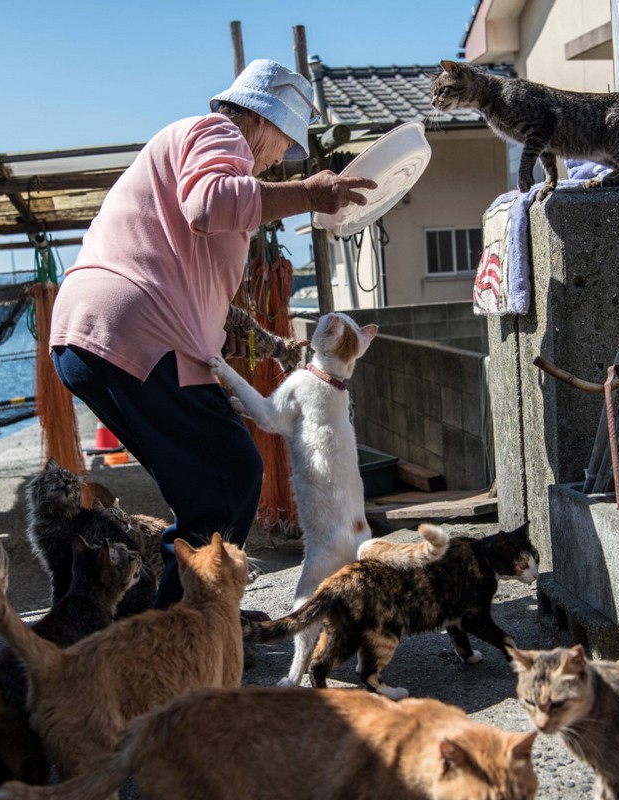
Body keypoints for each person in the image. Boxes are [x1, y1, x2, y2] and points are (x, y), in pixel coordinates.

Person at [49, 60, 375, 608]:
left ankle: (169, 622)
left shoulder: (197, 149)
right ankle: (186, 633)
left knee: (205, 488)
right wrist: (310, 193)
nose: (276, 161)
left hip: (96, 335)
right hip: (136, 332)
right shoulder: (218, 132)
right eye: (284, 145)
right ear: (264, 122)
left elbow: (197, 268)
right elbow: (206, 204)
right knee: (230, 477)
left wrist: (252, 343)